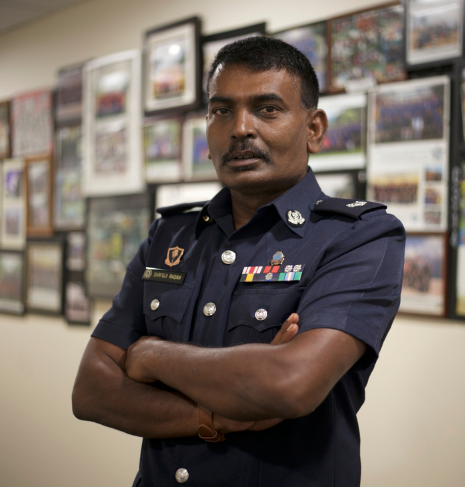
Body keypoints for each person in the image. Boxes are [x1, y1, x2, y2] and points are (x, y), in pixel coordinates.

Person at [71, 36, 405, 487]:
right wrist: (217, 416)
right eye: (221, 110)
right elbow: (91, 391)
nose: (240, 128)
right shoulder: (170, 235)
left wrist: (149, 355)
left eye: (267, 109)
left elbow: (291, 384)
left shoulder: (359, 236)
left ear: (314, 129)